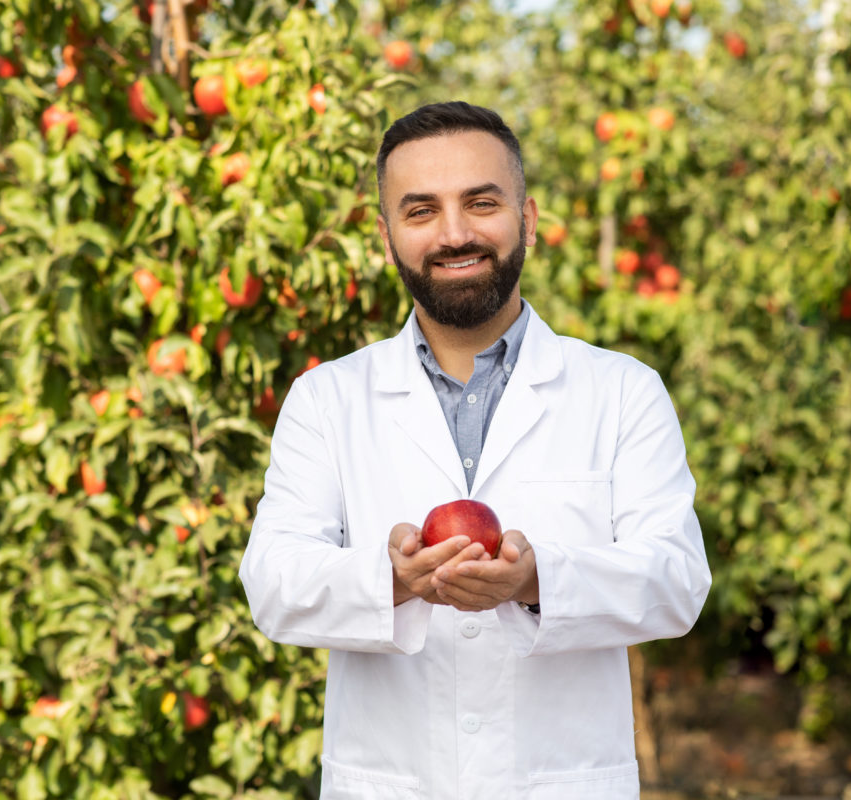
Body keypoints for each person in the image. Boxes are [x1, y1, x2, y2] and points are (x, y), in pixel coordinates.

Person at [239, 101, 711, 799]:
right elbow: (273, 584)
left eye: (481, 202)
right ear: (386, 234)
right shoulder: (327, 400)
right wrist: (392, 579)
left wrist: (535, 580)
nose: (454, 233)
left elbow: (676, 581)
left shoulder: (621, 392)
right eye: (420, 210)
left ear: (528, 218)